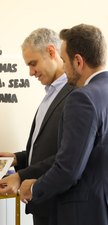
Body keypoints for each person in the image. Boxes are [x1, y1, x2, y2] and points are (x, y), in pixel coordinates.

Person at [20, 24, 108, 225]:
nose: (63, 67)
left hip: (79, 213)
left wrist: (33, 188)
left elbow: (68, 168)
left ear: (78, 61)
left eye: (65, 60)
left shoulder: (82, 98)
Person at [0, 28, 74, 225]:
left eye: (33, 63)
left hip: (60, 205)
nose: (30, 72)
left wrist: (21, 176)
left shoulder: (76, 94)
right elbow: (44, 147)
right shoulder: (51, 93)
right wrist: (16, 159)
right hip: (42, 203)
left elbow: (68, 154)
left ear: (52, 52)